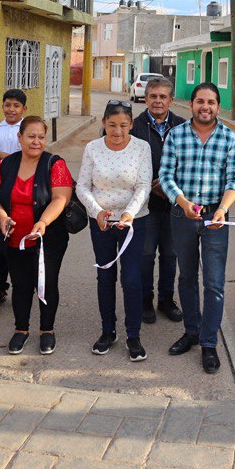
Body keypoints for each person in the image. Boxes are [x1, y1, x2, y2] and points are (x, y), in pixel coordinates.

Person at [161, 83, 235, 374]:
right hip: (182, 216)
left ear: (218, 106)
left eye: (210, 102)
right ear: (191, 104)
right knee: (187, 277)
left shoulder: (230, 139)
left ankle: (209, 343)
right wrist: (182, 202)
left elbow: (234, 180)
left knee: (214, 283)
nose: (204, 106)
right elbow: (166, 175)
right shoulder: (176, 135)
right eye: (199, 101)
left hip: (215, 219)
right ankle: (191, 332)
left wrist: (221, 209)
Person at [0, 117, 74, 356]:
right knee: (21, 284)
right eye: (31, 136)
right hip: (14, 238)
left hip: (48, 238)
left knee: (46, 283)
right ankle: (21, 329)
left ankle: (47, 330)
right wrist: (3, 218)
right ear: (20, 138)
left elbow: (60, 198)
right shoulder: (5, 165)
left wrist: (43, 222)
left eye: (41, 137)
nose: (36, 142)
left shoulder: (54, 164)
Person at [78, 101, 152, 362]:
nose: (117, 131)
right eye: (111, 125)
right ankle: (107, 331)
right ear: (103, 124)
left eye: (123, 125)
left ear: (131, 125)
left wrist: (129, 213)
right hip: (101, 223)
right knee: (105, 276)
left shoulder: (142, 148)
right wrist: (97, 211)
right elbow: (82, 186)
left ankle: (133, 335)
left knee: (131, 278)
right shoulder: (92, 149)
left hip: (133, 222)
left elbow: (143, 186)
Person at [131, 75, 184, 324]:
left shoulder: (184, 126)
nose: (158, 101)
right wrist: (149, 186)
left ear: (171, 100)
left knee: (170, 255)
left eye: (163, 96)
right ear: (146, 98)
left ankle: (166, 301)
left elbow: (189, 162)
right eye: (153, 96)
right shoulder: (134, 127)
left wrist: (170, 186)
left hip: (175, 204)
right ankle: (145, 301)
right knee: (146, 254)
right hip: (146, 205)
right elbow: (127, 162)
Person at [0, 89, 28, 308]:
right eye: (7, 104)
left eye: (16, 106)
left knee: (22, 243)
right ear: (2, 106)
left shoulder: (29, 130)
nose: (11, 109)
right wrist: (11, 159)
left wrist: (1, 156)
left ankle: (25, 287)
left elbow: (31, 160)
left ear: (24, 109)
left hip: (25, 196)